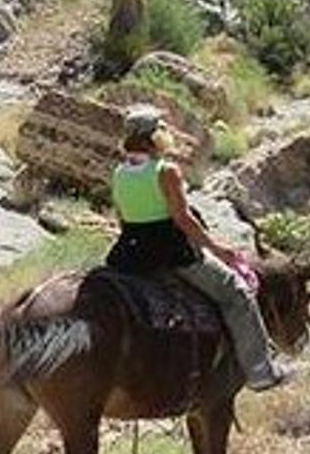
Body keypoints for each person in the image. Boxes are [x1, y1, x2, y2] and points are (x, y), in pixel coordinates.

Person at [104, 107, 288, 391]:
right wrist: (218, 248)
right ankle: (260, 370)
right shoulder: (166, 171)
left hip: (130, 253)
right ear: (154, 136)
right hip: (172, 252)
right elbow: (183, 219)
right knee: (237, 293)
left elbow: (122, 218)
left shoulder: (118, 172)